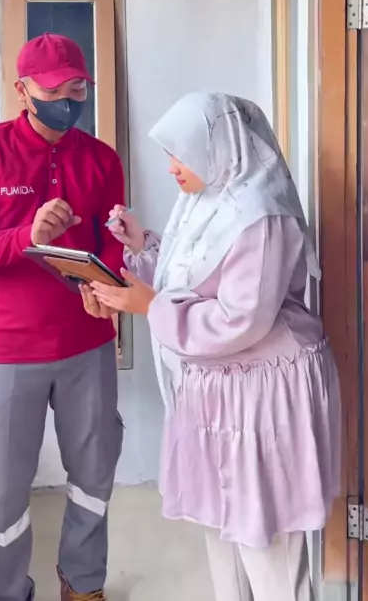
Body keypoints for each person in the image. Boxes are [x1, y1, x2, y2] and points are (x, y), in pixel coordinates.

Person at [83, 92, 341, 601]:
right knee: (224, 535)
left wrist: (151, 307)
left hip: (263, 393)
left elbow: (241, 318)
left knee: (267, 546)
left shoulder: (261, 215)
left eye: (181, 153)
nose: (173, 168)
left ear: (222, 146)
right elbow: (195, 277)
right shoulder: (205, 201)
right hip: (221, 393)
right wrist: (145, 246)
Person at [0, 33, 125, 601]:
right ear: (22, 90)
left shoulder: (101, 157)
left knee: (94, 475)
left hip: (87, 344)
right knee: (3, 490)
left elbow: (112, 243)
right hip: (8, 351)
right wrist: (25, 236)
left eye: (77, 89)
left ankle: (83, 584)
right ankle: (9, 591)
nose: (67, 101)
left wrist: (109, 288)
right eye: (53, 91)